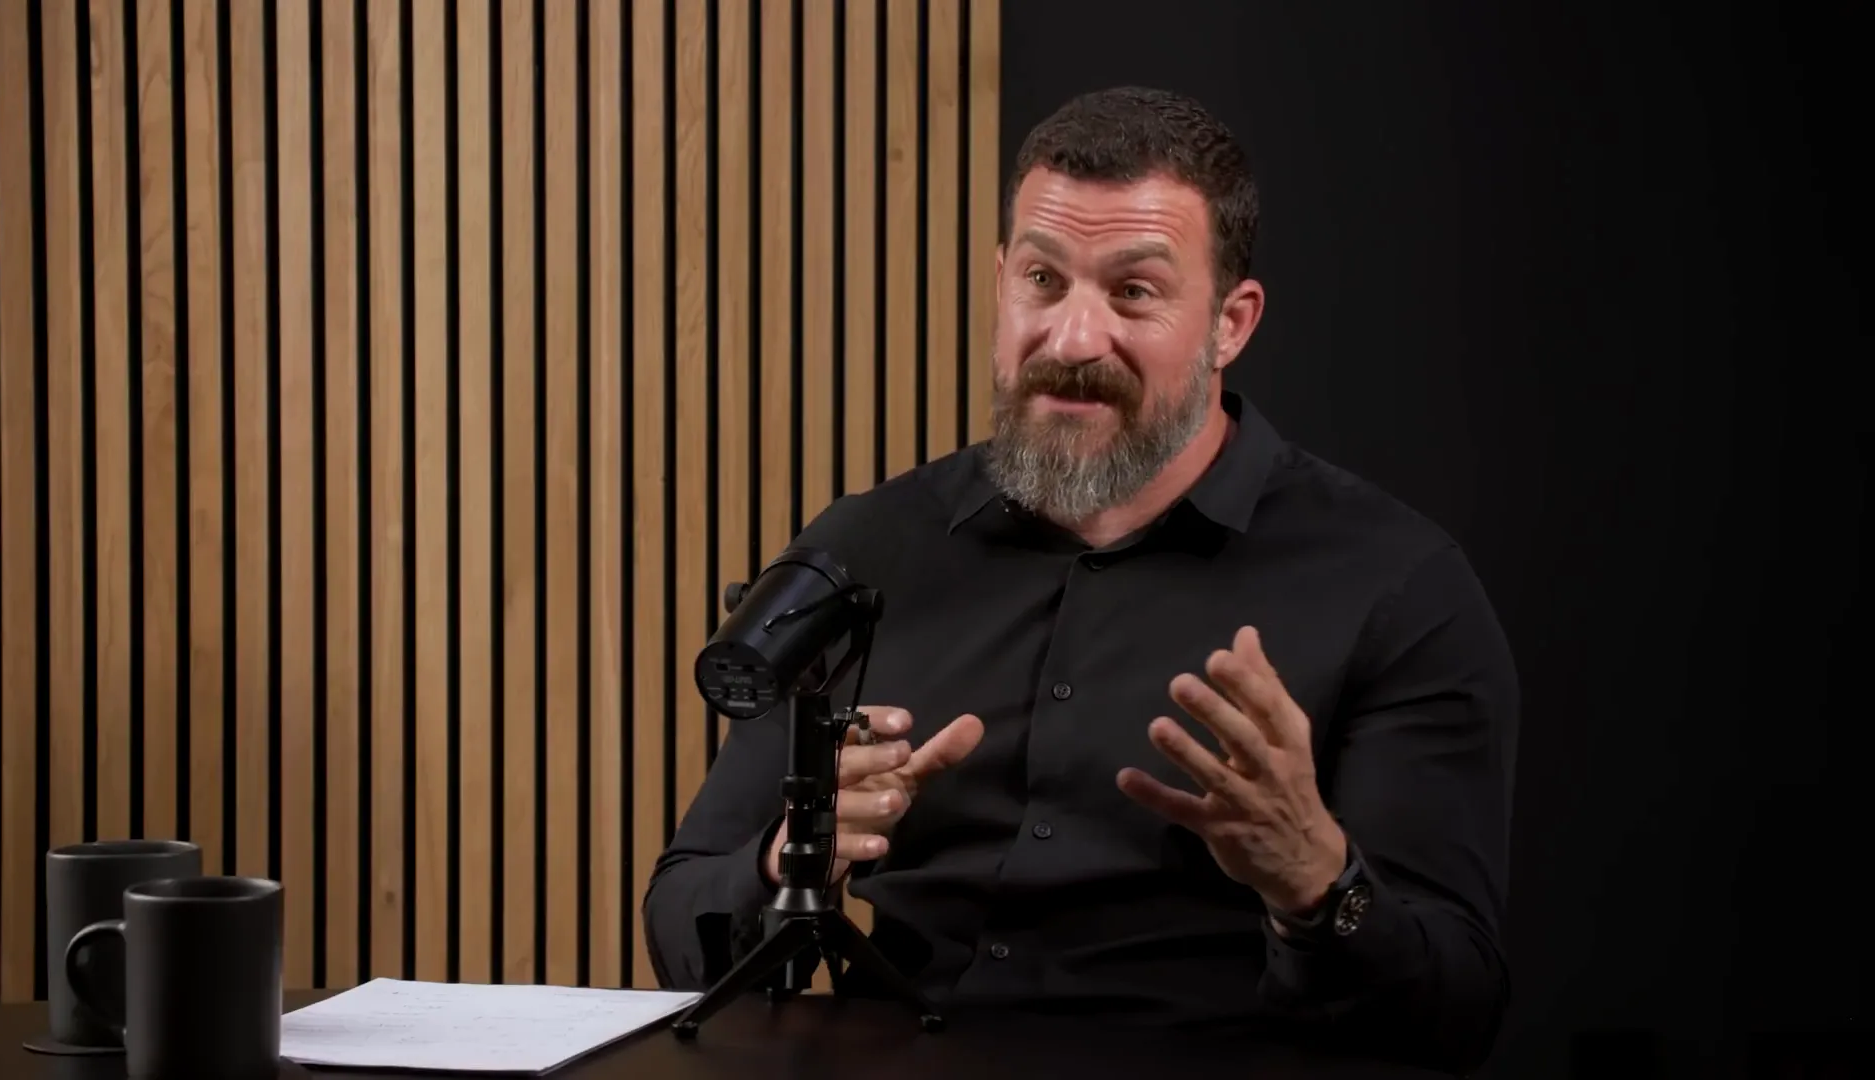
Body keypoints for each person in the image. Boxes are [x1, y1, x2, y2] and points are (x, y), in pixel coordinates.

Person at [643, 85, 1518, 1074]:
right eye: (1043, 280)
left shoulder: (1395, 587)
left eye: (1133, 292)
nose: (1071, 340)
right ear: (1000, 282)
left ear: (1230, 323)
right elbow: (682, 928)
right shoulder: (866, 547)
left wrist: (1320, 884)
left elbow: (1453, 1019)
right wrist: (788, 855)